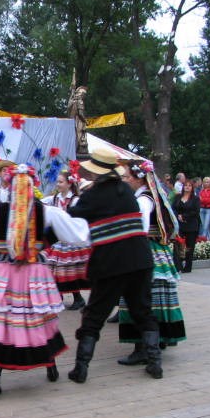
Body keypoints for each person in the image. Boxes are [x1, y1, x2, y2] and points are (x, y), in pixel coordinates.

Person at [0, 164, 90, 400]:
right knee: (36, 317)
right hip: (33, 272)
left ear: (8, 186)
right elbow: (77, 236)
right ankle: (50, 365)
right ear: (33, 185)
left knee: (1, 319)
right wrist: (46, 240)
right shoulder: (47, 211)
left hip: (2, 271)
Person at [67, 147, 163, 383]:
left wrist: (78, 195)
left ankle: (81, 368)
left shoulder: (92, 195)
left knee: (94, 315)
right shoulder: (127, 191)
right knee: (143, 311)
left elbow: (74, 214)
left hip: (110, 263)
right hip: (140, 259)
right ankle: (154, 362)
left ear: (96, 172)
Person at [117, 160, 186, 365]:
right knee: (155, 298)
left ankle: (142, 348)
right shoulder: (151, 195)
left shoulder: (143, 200)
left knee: (140, 299)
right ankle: (158, 340)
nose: (124, 180)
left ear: (138, 179)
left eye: (126, 177)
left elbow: (141, 228)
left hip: (145, 250)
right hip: (157, 251)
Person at [42, 170, 86, 310]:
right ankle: (58, 296)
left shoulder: (75, 200)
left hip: (70, 240)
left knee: (68, 270)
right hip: (58, 239)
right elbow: (41, 203)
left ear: (69, 183)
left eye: (61, 182)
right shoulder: (54, 198)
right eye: (57, 181)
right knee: (53, 268)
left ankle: (78, 298)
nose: (58, 184)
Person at [172, 180, 200, 273]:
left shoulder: (195, 199)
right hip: (179, 225)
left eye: (189, 186)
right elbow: (173, 208)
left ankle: (187, 267)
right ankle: (177, 266)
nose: (187, 187)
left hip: (191, 225)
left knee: (189, 247)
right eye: (186, 185)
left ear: (192, 188)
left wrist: (184, 216)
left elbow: (196, 211)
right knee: (178, 246)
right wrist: (178, 216)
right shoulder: (178, 197)